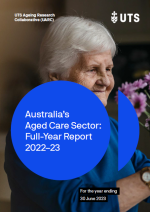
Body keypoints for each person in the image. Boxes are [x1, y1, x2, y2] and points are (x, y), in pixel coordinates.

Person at [4, 16, 150, 212]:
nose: (106, 81)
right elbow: (79, 200)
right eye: (92, 69)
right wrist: (145, 181)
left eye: (108, 69)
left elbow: (142, 165)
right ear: (56, 76)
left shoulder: (111, 127)